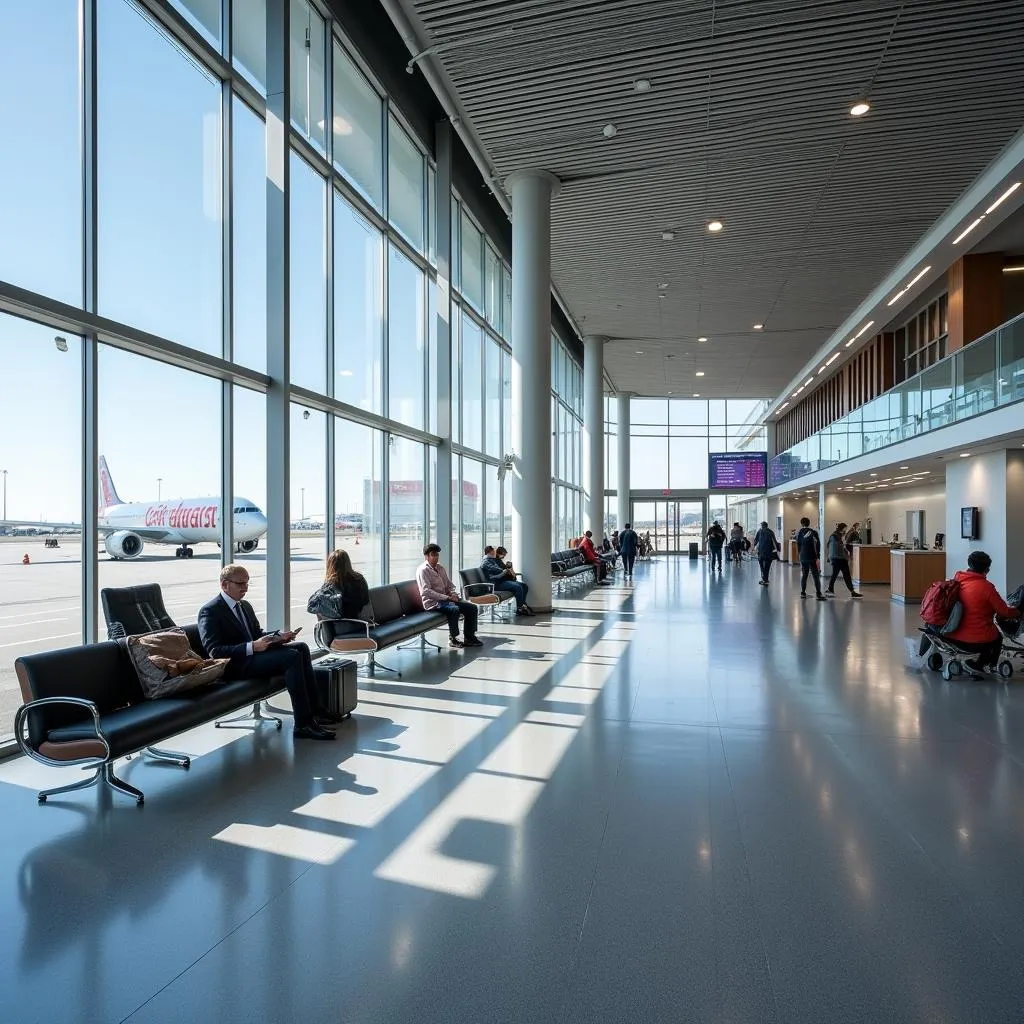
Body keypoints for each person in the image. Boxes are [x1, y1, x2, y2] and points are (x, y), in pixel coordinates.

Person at [198, 564, 340, 740]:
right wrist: (251, 647)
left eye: (247, 584)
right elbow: (214, 651)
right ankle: (303, 724)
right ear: (224, 584)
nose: (245, 588)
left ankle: (316, 712)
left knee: (301, 648)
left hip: (252, 657)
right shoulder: (210, 611)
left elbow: (256, 635)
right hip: (234, 665)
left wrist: (277, 637)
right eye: (240, 584)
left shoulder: (244, 606)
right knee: (291, 658)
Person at [939, 550, 1021, 674]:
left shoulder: (957, 581)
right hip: (973, 640)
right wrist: (1018, 611)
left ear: (969, 565)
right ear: (987, 569)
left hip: (951, 634)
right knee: (996, 637)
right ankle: (983, 665)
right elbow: (1004, 611)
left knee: (986, 632)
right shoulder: (987, 588)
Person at [416, 543, 483, 648]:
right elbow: (426, 591)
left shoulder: (440, 568)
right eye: (433, 555)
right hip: (433, 603)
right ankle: (453, 638)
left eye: (437, 555)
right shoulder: (423, 570)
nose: (436, 557)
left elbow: (447, 585)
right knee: (454, 609)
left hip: (446, 600)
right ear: (426, 556)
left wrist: (452, 594)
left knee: (472, 607)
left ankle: (469, 637)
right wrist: (447, 597)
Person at [481, 545, 533, 615]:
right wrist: (505, 570)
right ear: (489, 552)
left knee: (524, 586)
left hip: (500, 581)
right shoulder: (486, 562)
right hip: (495, 584)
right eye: (493, 552)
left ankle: (522, 605)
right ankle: (520, 608)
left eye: (495, 552)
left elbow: (500, 570)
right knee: (518, 587)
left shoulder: (492, 560)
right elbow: (498, 570)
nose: (494, 553)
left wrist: (506, 570)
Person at [825, 523, 862, 598]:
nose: (846, 529)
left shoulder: (836, 535)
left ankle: (831, 589)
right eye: (845, 528)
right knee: (844, 575)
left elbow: (831, 546)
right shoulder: (835, 536)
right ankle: (851, 592)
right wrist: (845, 552)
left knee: (838, 574)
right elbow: (837, 547)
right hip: (839, 558)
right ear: (842, 528)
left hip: (838, 558)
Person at [795, 517, 825, 600]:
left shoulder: (798, 533)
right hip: (812, 556)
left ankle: (803, 593)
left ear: (801, 524)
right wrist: (818, 556)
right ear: (809, 523)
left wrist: (799, 555)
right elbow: (818, 544)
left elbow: (798, 545)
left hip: (803, 557)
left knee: (804, 575)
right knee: (815, 575)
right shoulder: (813, 532)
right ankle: (818, 594)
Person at [752, 521, 779, 586]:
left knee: (762, 566)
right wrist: (776, 550)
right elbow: (775, 542)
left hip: (761, 552)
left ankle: (763, 579)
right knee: (767, 566)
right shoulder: (771, 532)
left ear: (762, 526)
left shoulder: (760, 531)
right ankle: (765, 579)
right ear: (767, 526)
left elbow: (756, 541)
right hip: (769, 552)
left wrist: (754, 548)